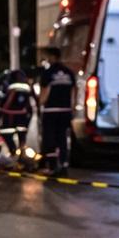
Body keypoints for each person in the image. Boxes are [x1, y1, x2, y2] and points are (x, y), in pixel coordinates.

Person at [37, 47, 75, 176]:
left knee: (50, 138)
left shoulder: (48, 73)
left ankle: (52, 166)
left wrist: (40, 105)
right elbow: (73, 93)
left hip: (51, 110)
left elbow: (44, 93)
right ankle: (63, 165)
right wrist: (72, 108)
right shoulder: (69, 73)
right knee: (62, 137)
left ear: (53, 57)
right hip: (65, 110)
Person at [0, 69, 37, 160]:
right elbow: (33, 101)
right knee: (22, 135)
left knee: (6, 133)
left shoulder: (11, 87)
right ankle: (21, 155)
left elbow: (6, 102)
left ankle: (13, 152)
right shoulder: (28, 86)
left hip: (10, 115)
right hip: (23, 116)